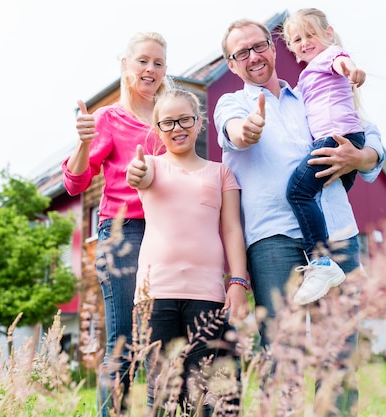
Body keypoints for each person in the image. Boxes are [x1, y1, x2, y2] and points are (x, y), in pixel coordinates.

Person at [213, 18, 385, 417]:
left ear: (274, 49)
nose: (253, 56)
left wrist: (362, 157)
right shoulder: (233, 103)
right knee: (283, 352)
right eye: (242, 53)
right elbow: (235, 131)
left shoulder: (310, 89)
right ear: (232, 63)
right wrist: (249, 130)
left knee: (339, 352)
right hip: (275, 239)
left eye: (259, 46)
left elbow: (369, 131)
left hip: (336, 232)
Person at [61, 31, 170, 416]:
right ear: (125, 66)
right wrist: (83, 143)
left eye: (158, 63)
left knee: (161, 341)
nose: (150, 69)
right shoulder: (108, 119)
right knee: (123, 341)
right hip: (123, 234)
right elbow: (74, 184)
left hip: (167, 236)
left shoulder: (168, 118)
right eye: (142, 61)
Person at [126, 88, 249, 416]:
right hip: (155, 295)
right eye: (167, 122)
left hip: (207, 294)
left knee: (205, 391)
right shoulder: (150, 166)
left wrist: (238, 282)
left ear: (199, 123)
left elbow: (233, 230)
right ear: (157, 129)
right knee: (163, 390)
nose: (177, 128)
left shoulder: (220, 172)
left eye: (185, 120)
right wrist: (135, 172)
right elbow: (138, 175)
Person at [282, 8, 368, 305]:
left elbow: (342, 63)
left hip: (336, 138)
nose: (305, 42)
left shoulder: (330, 55)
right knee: (328, 190)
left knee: (298, 191)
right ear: (291, 47)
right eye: (297, 39)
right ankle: (349, 266)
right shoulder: (306, 76)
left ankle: (321, 263)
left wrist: (351, 70)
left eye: (311, 34)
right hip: (336, 138)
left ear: (328, 33)